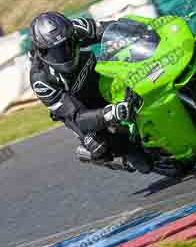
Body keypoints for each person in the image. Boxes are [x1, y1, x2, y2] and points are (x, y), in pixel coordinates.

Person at [28, 11, 152, 173]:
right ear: (42, 51)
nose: (65, 52)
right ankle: (115, 153)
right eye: (56, 51)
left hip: (99, 78)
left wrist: (144, 29)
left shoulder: (76, 28)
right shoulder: (41, 80)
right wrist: (109, 114)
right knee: (99, 146)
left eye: (67, 45)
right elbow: (76, 117)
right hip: (80, 107)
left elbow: (114, 28)